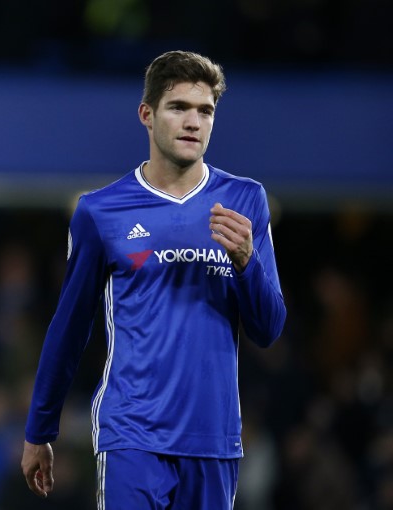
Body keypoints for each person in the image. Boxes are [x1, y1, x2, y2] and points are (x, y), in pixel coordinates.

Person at [21, 51, 287, 509]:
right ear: (147, 115)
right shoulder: (101, 211)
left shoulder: (245, 200)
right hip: (133, 432)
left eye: (205, 111)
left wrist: (246, 263)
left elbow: (268, 329)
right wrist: (39, 430)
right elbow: (69, 327)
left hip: (214, 438)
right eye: (178, 107)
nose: (193, 122)